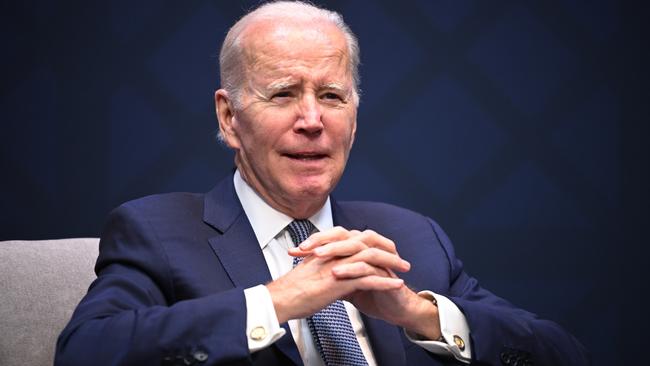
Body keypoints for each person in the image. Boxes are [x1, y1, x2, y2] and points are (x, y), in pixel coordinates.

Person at [56, 2, 589, 365]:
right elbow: (85, 351)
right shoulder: (156, 230)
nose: (312, 119)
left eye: (332, 97)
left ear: (354, 119)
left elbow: (562, 353)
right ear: (229, 117)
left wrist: (417, 313)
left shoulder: (412, 237)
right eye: (284, 93)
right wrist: (277, 301)